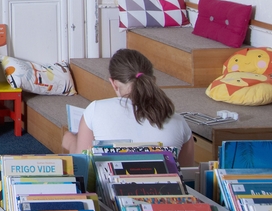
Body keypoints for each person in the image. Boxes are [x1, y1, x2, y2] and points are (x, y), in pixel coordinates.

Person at [61, 48, 194, 166]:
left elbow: (83, 165)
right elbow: (187, 176)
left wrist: (71, 142)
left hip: (110, 187)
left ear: (113, 83)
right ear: (153, 80)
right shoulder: (179, 122)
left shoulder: (95, 110)